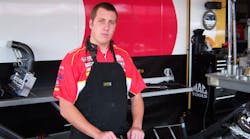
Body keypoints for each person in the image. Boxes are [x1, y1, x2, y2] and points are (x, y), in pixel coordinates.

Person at [53, 2, 146, 139]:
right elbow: (65, 108)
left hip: (119, 134)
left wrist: (137, 126)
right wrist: (98, 134)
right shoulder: (73, 59)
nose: (106, 27)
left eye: (111, 22)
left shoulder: (124, 57)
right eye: (101, 21)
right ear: (91, 24)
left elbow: (136, 96)